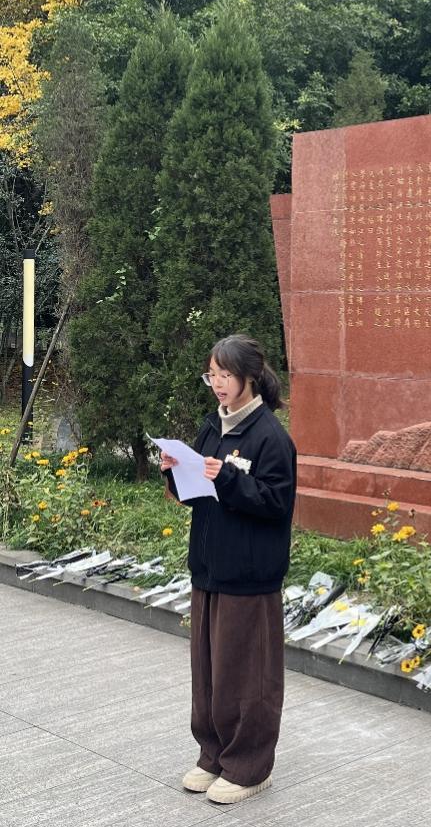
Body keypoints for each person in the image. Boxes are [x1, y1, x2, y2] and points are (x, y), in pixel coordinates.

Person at [160, 334, 296, 806]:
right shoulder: (212, 427)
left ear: (250, 377)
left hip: (250, 576)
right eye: (212, 375)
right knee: (210, 673)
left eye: (226, 375)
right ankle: (213, 755)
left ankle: (249, 766)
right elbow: (196, 494)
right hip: (209, 568)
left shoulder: (271, 437)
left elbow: (277, 504)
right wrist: (174, 470)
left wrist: (232, 478)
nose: (217, 383)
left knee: (247, 676)